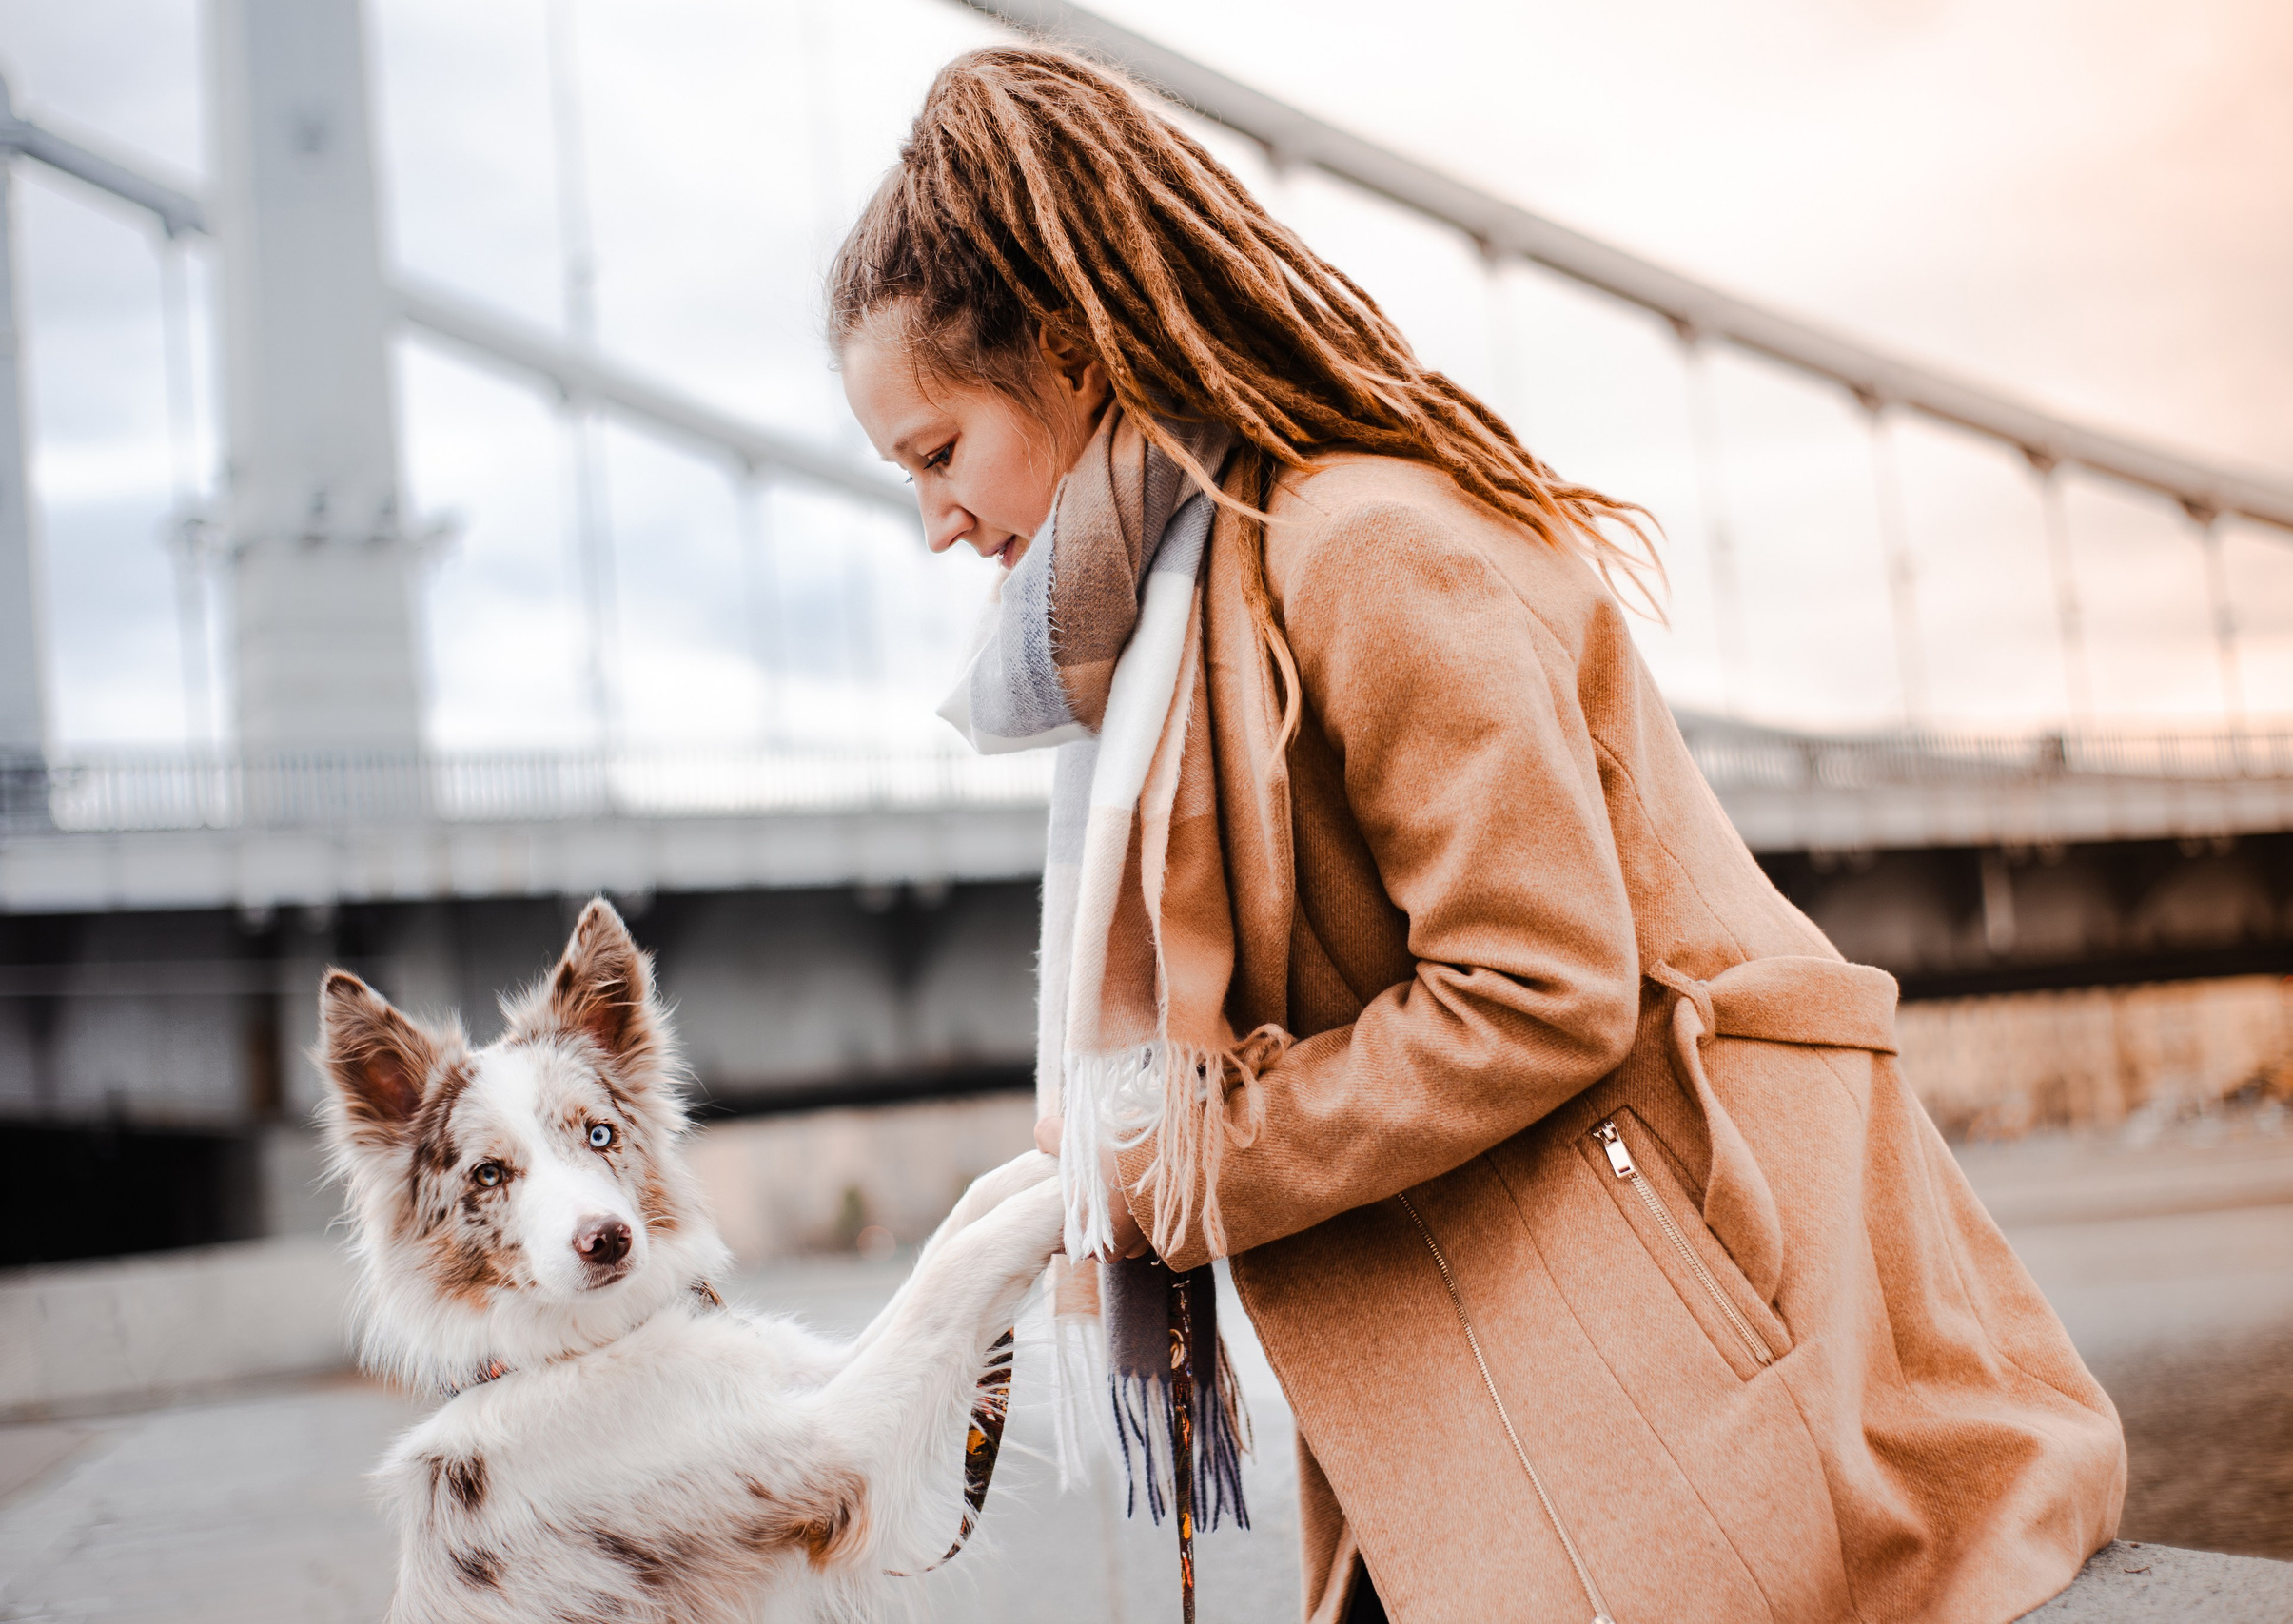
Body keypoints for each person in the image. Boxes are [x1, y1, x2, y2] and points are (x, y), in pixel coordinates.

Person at [828, 43, 2126, 1624]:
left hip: (1693, 1348)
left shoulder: (1360, 551)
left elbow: (1540, 987)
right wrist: (1125, 1158)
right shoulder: (1195, 614)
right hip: (1518, 1382)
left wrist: (1184, 1154)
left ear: (1073, 353)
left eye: (939, 452)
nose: (934, 523)